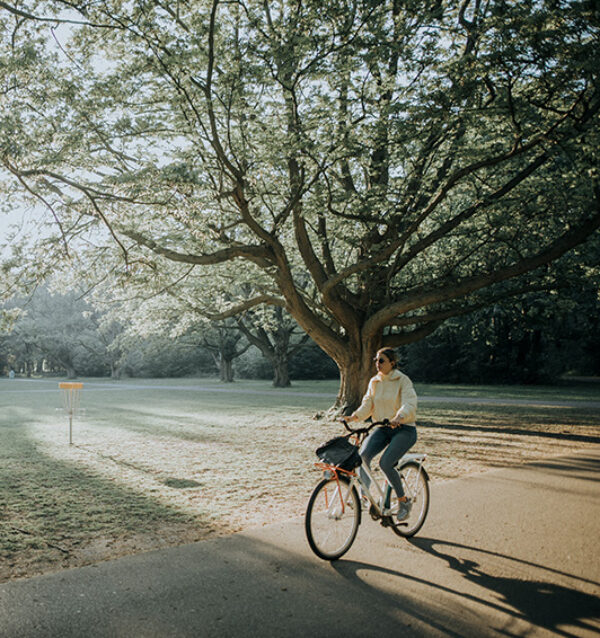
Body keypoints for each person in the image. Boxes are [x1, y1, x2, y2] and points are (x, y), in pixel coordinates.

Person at [345, 347, 418, 521]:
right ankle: (364, 498)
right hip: (382, 427)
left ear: (392, 363)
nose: (377, 364)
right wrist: (354, 416)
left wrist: (399, 416)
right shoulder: (374, 382)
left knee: (386, 463)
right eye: (376, 360)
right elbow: (367, 403)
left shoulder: (403, 380)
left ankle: (403, 501)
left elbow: (410, 403)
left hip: (404, 429)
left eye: (381, 360)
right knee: (362, 457)